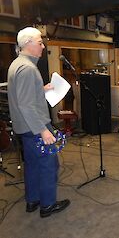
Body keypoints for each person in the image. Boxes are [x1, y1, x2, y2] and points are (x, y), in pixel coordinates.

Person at [7, 27, 70, 218]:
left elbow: (21, 97)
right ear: (28, 44)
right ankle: (48, 205)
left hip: (24, 129)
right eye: (40, 42)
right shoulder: (28, 69)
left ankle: (32, 200)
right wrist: (43, 130)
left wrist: (40, 89)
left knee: (32, 165)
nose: (43, 46)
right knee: (49, 166)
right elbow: (26, 105)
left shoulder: (17, 64)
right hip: (35, 128)